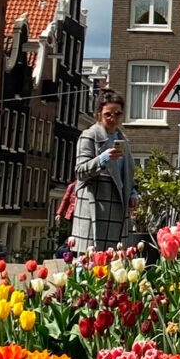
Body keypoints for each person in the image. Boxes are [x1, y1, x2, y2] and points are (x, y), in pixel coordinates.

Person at [71, 89, 139, 252]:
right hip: (95, 210)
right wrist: (102, 159)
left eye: (117, 114)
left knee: (114, 265)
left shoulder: (124, 141)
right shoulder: (89, 136)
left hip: (118, 211)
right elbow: (80, 171)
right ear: (99, 113)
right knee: (90, 265)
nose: (113, 118)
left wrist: (133, 192)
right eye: (108, 114)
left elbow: (128, 174)